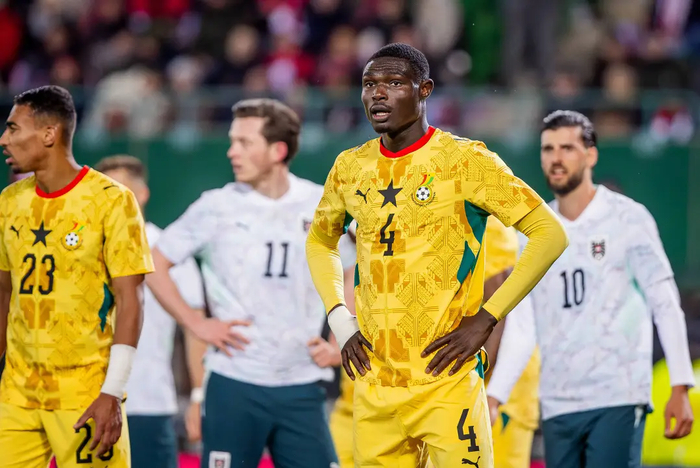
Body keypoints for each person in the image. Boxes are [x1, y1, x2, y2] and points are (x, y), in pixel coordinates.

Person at [305, 43, 568, 468]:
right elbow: (320, 242)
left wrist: (486, 318)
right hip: (376, 384)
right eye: (369, 84)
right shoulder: (349, 168)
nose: (378, 94)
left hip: (446, 380)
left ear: (424, 89)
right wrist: (339, 320)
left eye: (394, 83)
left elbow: (549, 234)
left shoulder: (465, 161)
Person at [146, 98, 352, 468]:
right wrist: (196, 324)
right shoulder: (216, 206)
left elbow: (352, 269)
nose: (231, 152)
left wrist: (342, 338)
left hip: (302, 382)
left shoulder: (320, 203)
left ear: (278, 151)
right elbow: (153, 263)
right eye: (232, 141)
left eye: (244, 142)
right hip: (234, 383)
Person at [486, 110, 696, 468]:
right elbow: (523, 325)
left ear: (591, 155)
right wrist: (495, 396)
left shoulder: (628, 218)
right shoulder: (534, 234)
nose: (556, 158)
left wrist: (680, 384)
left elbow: (664, 302)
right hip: (557, 402)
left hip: (617, 395)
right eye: (548, 148)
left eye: (567, 148)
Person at [0, 85, 153, 468]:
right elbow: (3, 293)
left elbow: (131, 301)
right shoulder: (9, 202)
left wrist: (112, 392)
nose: (4, 139)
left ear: (49, 134)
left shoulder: (112, 200)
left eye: (13, 128)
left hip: (85, 391)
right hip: (16, 392)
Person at [96, 155, 206, 468]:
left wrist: (198, 396)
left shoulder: (167, 250)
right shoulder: (80, 249)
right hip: (84, 401)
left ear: (142, 194)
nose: (112, 199)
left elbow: (195, 328)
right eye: (104, 191)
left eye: (121, 189)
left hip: (147, 404)